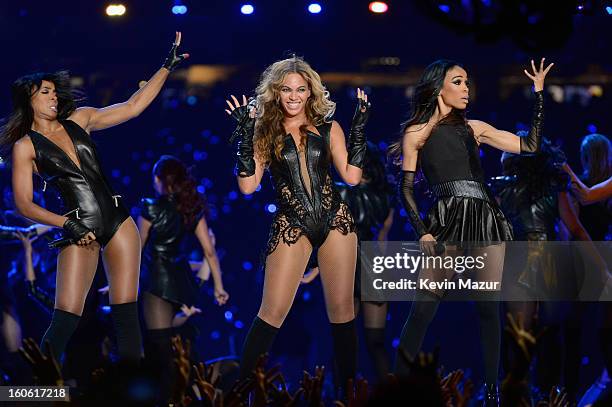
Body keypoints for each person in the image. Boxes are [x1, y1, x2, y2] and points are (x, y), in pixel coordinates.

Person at [0, 32, 189, 364]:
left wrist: (166, 67)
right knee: (65, 318)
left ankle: (134, 393)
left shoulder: (81, 119)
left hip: (118, 220)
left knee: (126, 316)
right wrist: (67, 224)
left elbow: (132, 107)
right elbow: (23, 204)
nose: (54, 97)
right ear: (28, 98)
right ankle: (37, 395)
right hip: (78, 226)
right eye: (46, 93)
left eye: (55, 91)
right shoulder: (25, 146)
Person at [388, 58, 552, 405]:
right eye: (458, 82)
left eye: (467, 83)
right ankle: (395, 390)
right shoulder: (417, 133)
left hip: (484, 218)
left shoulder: (475, 128)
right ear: (439, 87)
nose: (466, 89)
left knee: (487, 310)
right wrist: (422, 232)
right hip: (446, 221)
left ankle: (493, 394)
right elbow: (404, 190)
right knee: (422, 310)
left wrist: (538, 95)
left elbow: (530, 145)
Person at [225, 56, 369, 392]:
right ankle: (243, 395)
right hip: (292, 224)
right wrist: (246, 137)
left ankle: (347, 397)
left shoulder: (330, 128)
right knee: (271, 313)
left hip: (336, 222)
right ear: (275, 93)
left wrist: (360, 128)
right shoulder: (265, 132)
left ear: (310, 93)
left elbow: (352, 176)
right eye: (287, 89)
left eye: (300, 89)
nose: (293, 96)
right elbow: (247, 187)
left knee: (343, 313)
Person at [137, 155, 228, 402]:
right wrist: (219, 287)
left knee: (162, 352)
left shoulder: (150, 206)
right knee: (179, 347)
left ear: (159, 180)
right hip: (182, 282)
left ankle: (173, 397)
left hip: (157, 282)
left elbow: (136, 249)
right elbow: (209, 251)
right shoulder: (190, 207)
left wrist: (116, 283)